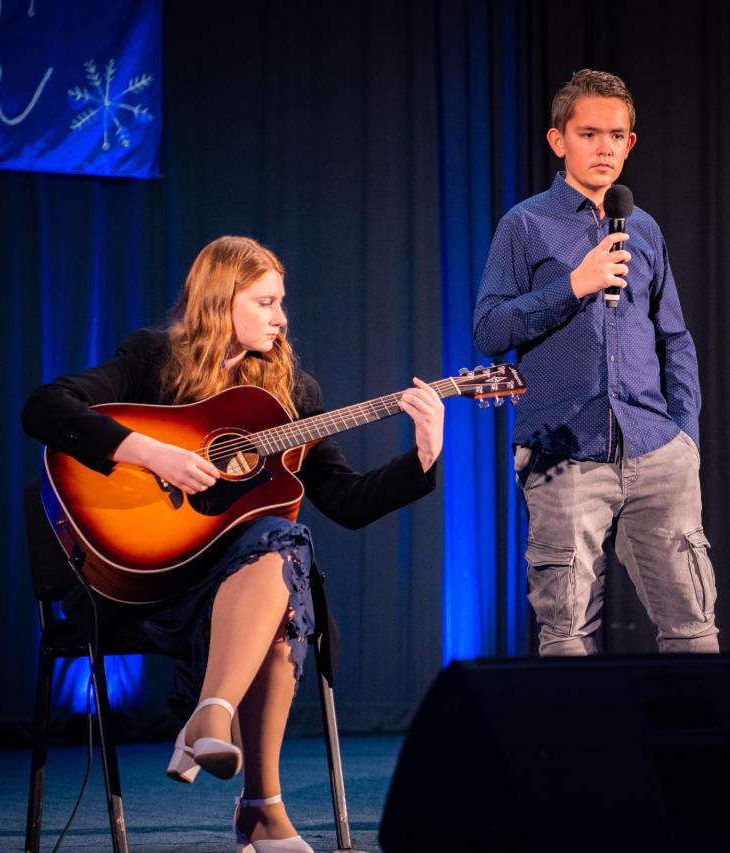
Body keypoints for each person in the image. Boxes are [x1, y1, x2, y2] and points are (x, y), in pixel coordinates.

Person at [22, 235, 443, 853]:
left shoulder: (293, 394)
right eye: (266, 302)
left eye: (281, 302)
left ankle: (215, 721)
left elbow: (346, 502)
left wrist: (423, 457)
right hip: (146, 581)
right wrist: (153, 453)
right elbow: (45, 407)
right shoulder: (153, 359)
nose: (281, 317)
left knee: (284, 552)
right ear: (221, 301)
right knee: (286, 569)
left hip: (244, 584)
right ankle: (259, 808)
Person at [473, 69, 718, 656]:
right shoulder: (525, 225)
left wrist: (685, 437)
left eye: (616, 136)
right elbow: (489, 330)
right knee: (566, 634)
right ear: (558, 140)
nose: (604, 147)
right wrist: (573, 285)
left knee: (692, 627)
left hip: (656, 451)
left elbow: (674, 338)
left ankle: (698, 726)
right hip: (564, 456)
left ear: (630, 143)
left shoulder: (644, 227)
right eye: (588, 134)